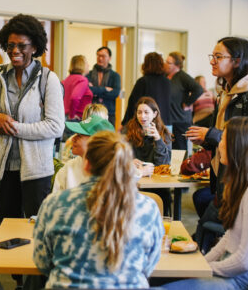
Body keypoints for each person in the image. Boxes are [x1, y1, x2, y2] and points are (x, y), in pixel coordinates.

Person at [165, 117, 248, 289]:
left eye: (223, 139)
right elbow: (229, 238)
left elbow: (246, 262)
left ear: (239, 146)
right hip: (233, 268)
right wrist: (197, 265)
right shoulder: (246, 181)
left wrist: (202, 269)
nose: (219, 144)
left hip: (245, 278)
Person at [33, 131, 164, 289]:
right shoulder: (148, 208)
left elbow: (43, 262)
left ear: (86, 164)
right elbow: (148, 266)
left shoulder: (54, 204)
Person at [186, 37, 248, 248]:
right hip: (225, 180)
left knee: (208, 233)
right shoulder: (228, 93)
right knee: (207, 231)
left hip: (244, 182)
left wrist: (210, 135)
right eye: (213, 56)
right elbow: (222, 133)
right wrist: (205, 138)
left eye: (219, 57)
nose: (212, 61)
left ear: (237, 61)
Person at [0, 13, 64, 223]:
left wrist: (14, 128)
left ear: (34, 47)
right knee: (7, 227)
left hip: (36, 169)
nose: (15, 51)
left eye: (22, 45)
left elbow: (55, 127)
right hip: (4, 167)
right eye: (10, 45)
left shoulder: (48, 79)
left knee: (36, 228)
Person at [125, 96, 172, 215]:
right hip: (134, 181)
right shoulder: (128, 131)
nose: (142, 116)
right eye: (139, 112)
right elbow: (120, 156)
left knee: (164, 197)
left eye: (146, 112)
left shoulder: (163, 133)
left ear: (155, 114)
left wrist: (157, 139)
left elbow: (163, 165)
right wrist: (130, 161)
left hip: (157, 184)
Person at [53, 115, 115, 192]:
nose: (73, 139)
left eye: (79, 136)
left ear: (95, 141)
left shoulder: (116, 170)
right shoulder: (67, 168)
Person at [164, 51, 203, 150]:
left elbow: (198, 89)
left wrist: (187, 103)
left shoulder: (182, 76)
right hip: (168, 120)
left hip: (180, 121)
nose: (165, 64)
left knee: (179, 150)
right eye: (166, 61)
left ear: (176, 65)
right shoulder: (165, 76)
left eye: (169, 62)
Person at [122, 52, 171, 127]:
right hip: (165, 122)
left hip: (146, 123)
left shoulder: (142, 81)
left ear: (145, 65)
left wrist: (124, 123)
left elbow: (133, 103)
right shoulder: (167, 82)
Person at [86, 46, 121, 125]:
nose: (100, 58)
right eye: (98, 55)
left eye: (103, 56)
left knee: (107, 137)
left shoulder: (115, 76)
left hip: (109, 113)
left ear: (109, 58)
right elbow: (88, 91)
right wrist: (105, 89)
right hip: (91, 112)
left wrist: (95, 91)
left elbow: (115, 93)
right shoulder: (89, 74)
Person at [62, 55, 93, 120]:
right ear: (81, 65)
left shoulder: (67, 79)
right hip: (77, 118)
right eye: (86, 63)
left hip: (65, 116)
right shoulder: (82, 80)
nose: (88, 65)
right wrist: (72, 115)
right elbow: (74, 98)